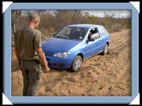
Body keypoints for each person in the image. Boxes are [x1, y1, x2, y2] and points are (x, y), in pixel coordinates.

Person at [14, 13, 50, 96]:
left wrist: (19, 62)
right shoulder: (36, 33)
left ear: (28, 20)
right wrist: (45, 66)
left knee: (26, 84)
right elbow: (39, 51)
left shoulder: (18, 32)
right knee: (33, 86)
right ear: (36, 21)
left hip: (23, 63)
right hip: (33, 64)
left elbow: (16, 50)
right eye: (38, 23)